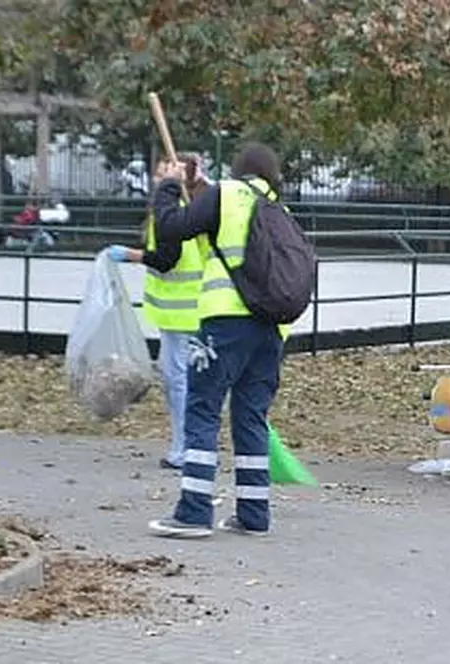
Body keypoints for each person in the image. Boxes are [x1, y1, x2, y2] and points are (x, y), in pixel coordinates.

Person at [144, 142, 292, 539]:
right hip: (270, 329)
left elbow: (171, 228)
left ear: (238, 168)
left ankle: (193, 512)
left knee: (203, 409)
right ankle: (254, 513)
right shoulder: (277, 208)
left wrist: (168, 186)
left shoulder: (227, 195)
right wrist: (194, 186)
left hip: (225, 322)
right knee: (251, 416)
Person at [104, 154, 211, 471]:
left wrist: (129, 255)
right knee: (177, 379)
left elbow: (166, 258)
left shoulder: (177, 214)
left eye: (164, 173)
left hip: (183, 312)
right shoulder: (185, 211)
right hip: (180, 312)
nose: (156, 178)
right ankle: (186, 444)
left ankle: (185, 448)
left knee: (179, 382)